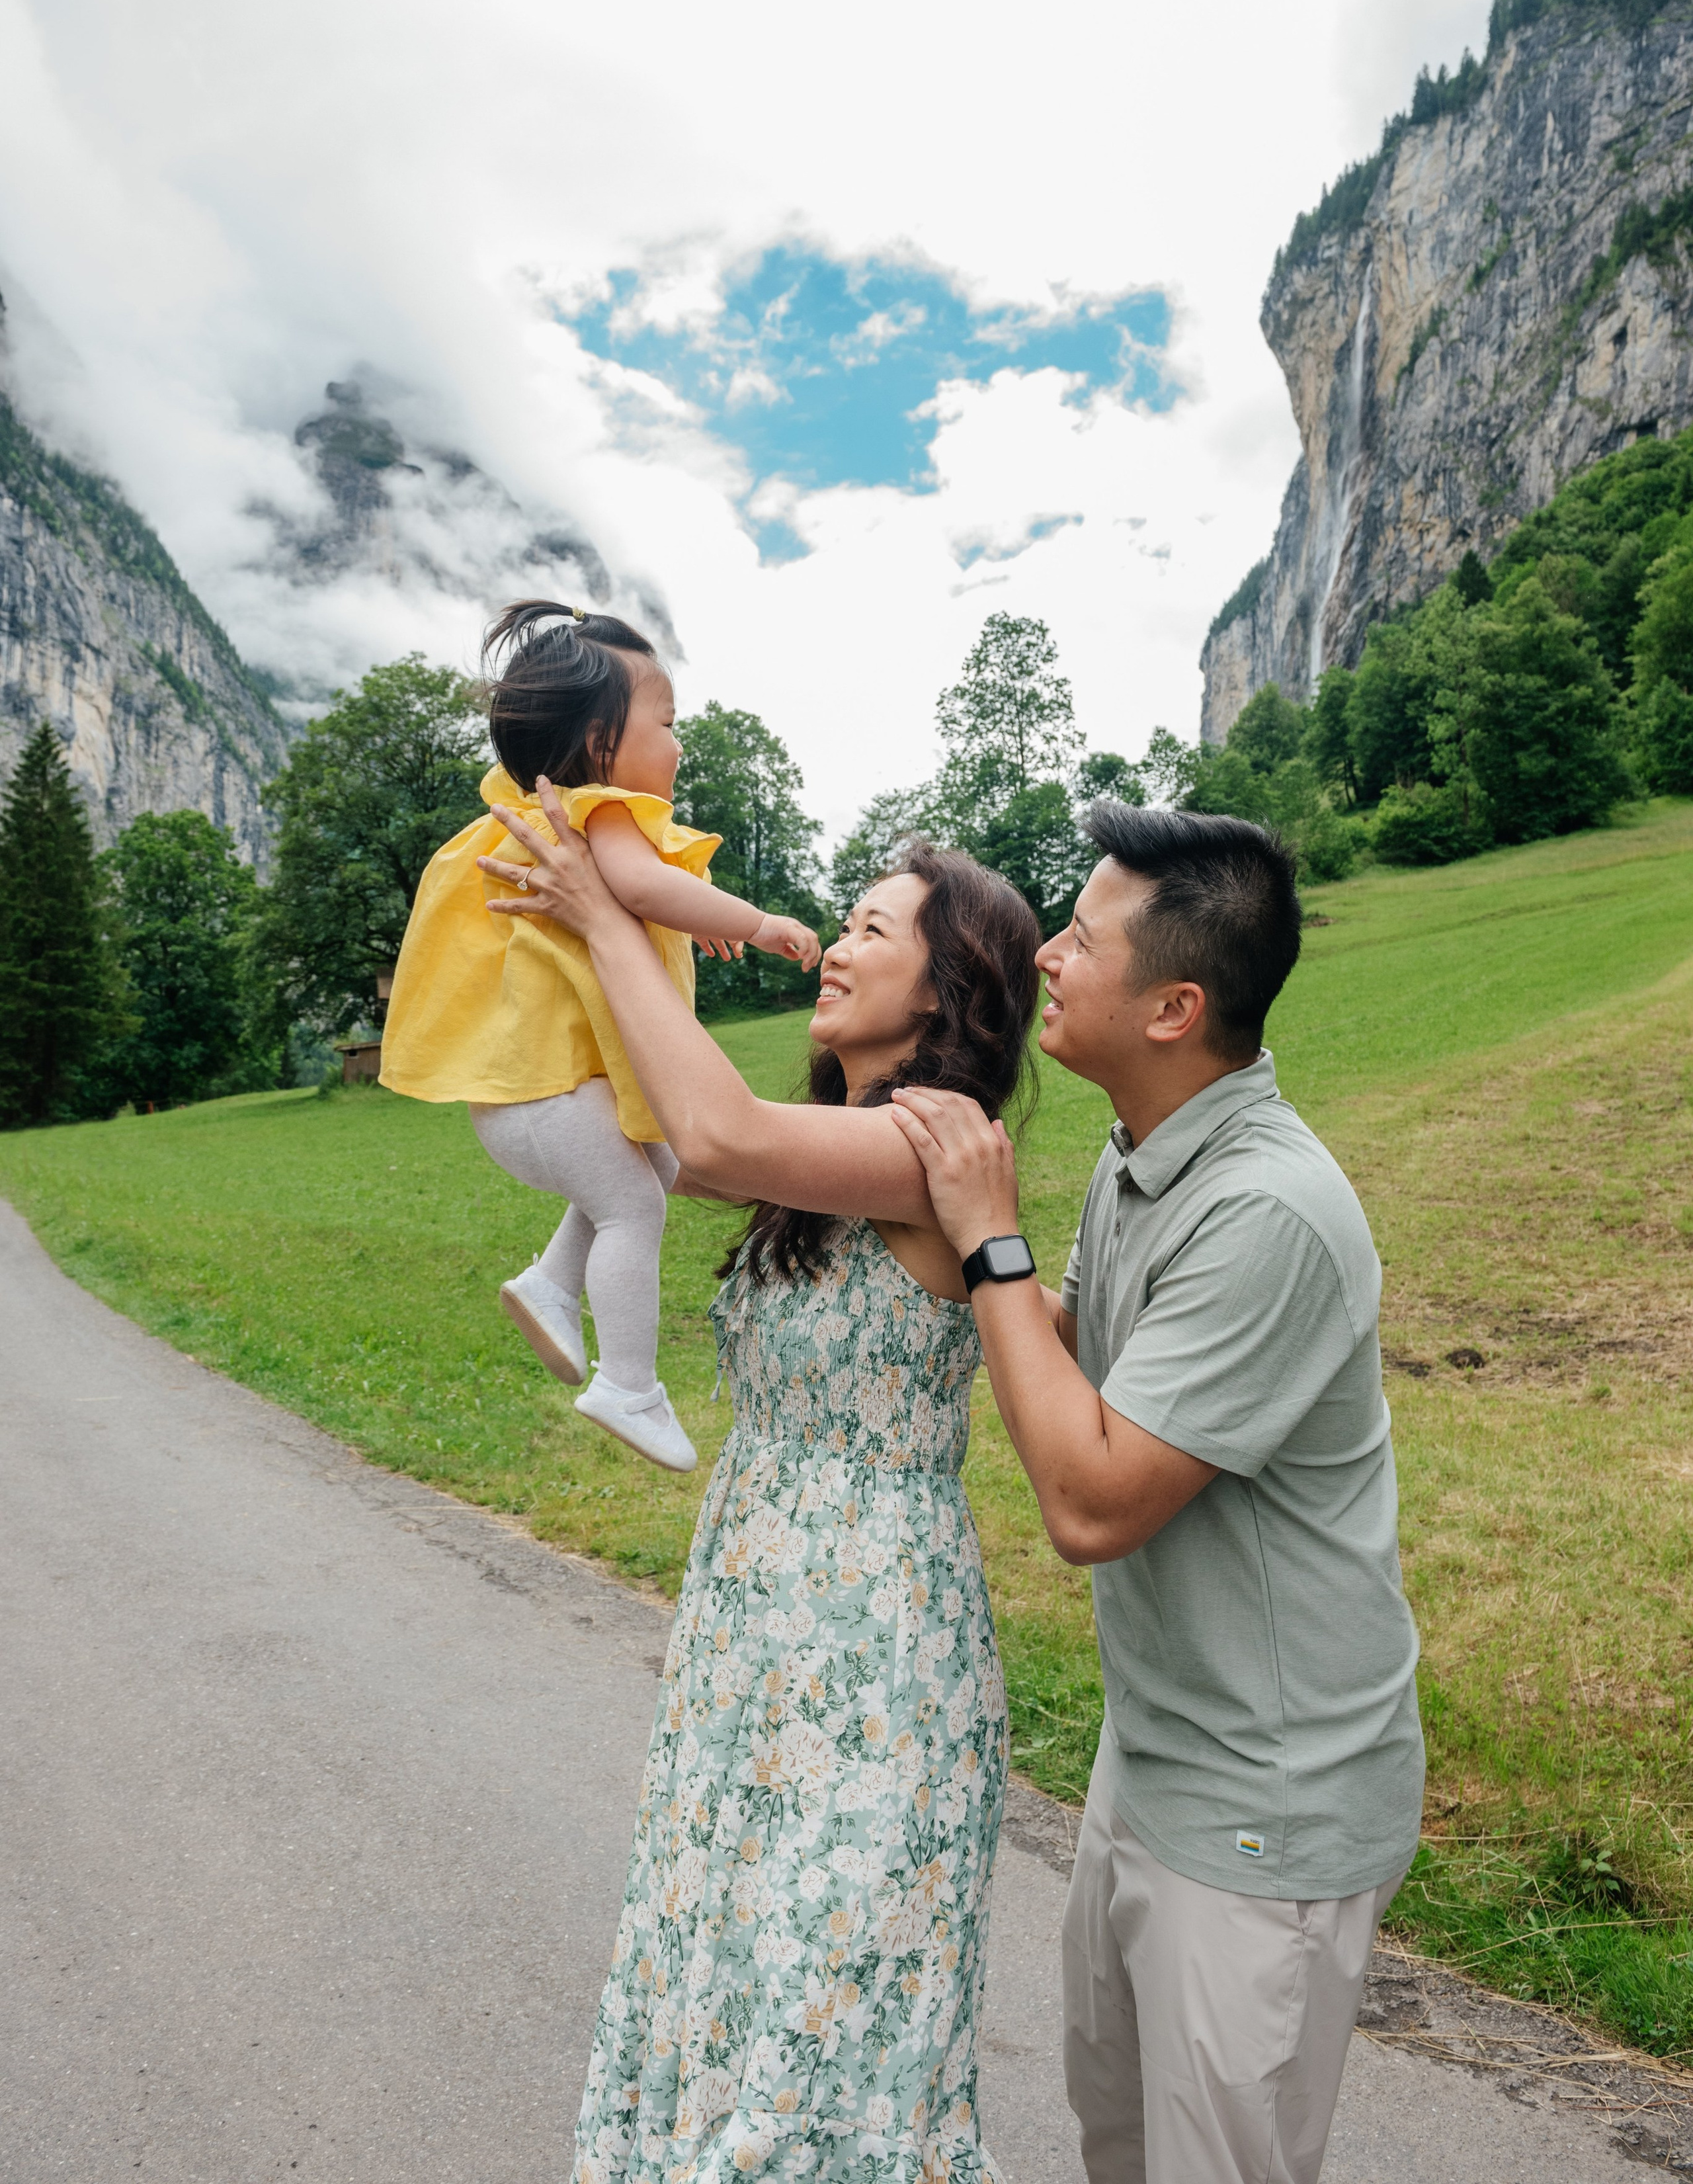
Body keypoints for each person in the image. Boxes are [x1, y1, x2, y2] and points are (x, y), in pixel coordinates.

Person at [476, 795, 1041, 2184]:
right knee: (723, 1970)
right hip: (752, 1628)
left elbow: (711, 1136)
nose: (834, 948)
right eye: (840, 923)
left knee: (822, 2014)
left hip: (874, 1648)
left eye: (867, 929)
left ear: (946, 991)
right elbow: (656, 1128)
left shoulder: (925, 1147)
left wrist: (610, 914)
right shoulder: (819, 1148)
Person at [886, 802, 1425, 2184]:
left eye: (1080, 936)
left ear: (1176, 1004)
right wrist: (926, 1220)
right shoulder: (1141, 1153)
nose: (1047, 957)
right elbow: (1082, 1354)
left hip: (1266, 1801)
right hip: (1156, 1751)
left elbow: (1090, 1501)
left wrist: (993, 1247)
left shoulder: (1265, 1210)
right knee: (1119, 2143)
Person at [380, 602, 820, 1470]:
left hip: (530, 1101)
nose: (679, 743)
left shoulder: (534, 813)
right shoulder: (599, 812)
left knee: (651, 1163)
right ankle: (629, 1384)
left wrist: (693, 917)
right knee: (637, 1204)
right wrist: (757, 919)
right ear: (599, 743)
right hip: (546, 1097)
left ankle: (550, 1286)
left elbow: (638, 895)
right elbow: (648, 889)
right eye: (666, 722)